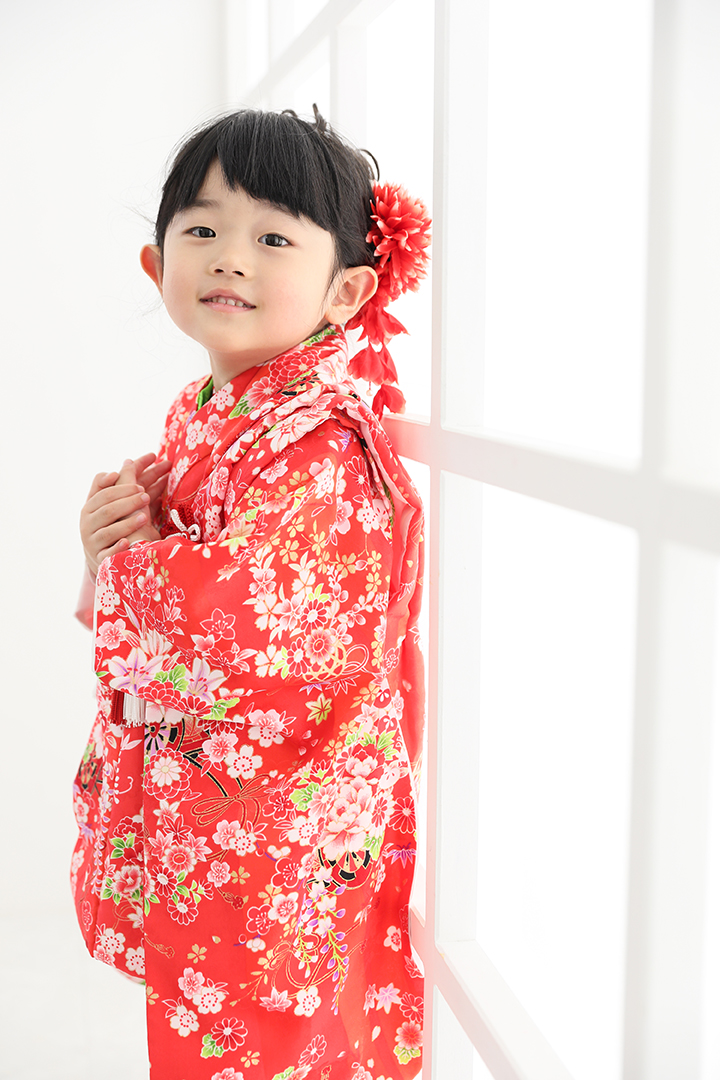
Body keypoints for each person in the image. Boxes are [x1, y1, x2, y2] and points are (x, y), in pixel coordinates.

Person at [71, 107, 430, 1080]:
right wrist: (111, 542)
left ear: (346, 291)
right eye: (203, 229)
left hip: (284, 808)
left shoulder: (322, 441)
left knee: (280, 1033)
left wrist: (134, 560)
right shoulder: (202, 412)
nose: (231, 256)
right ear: (157, 265)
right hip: (212, 800)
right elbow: (156, 567)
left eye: (273, 238)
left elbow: (265, 609)